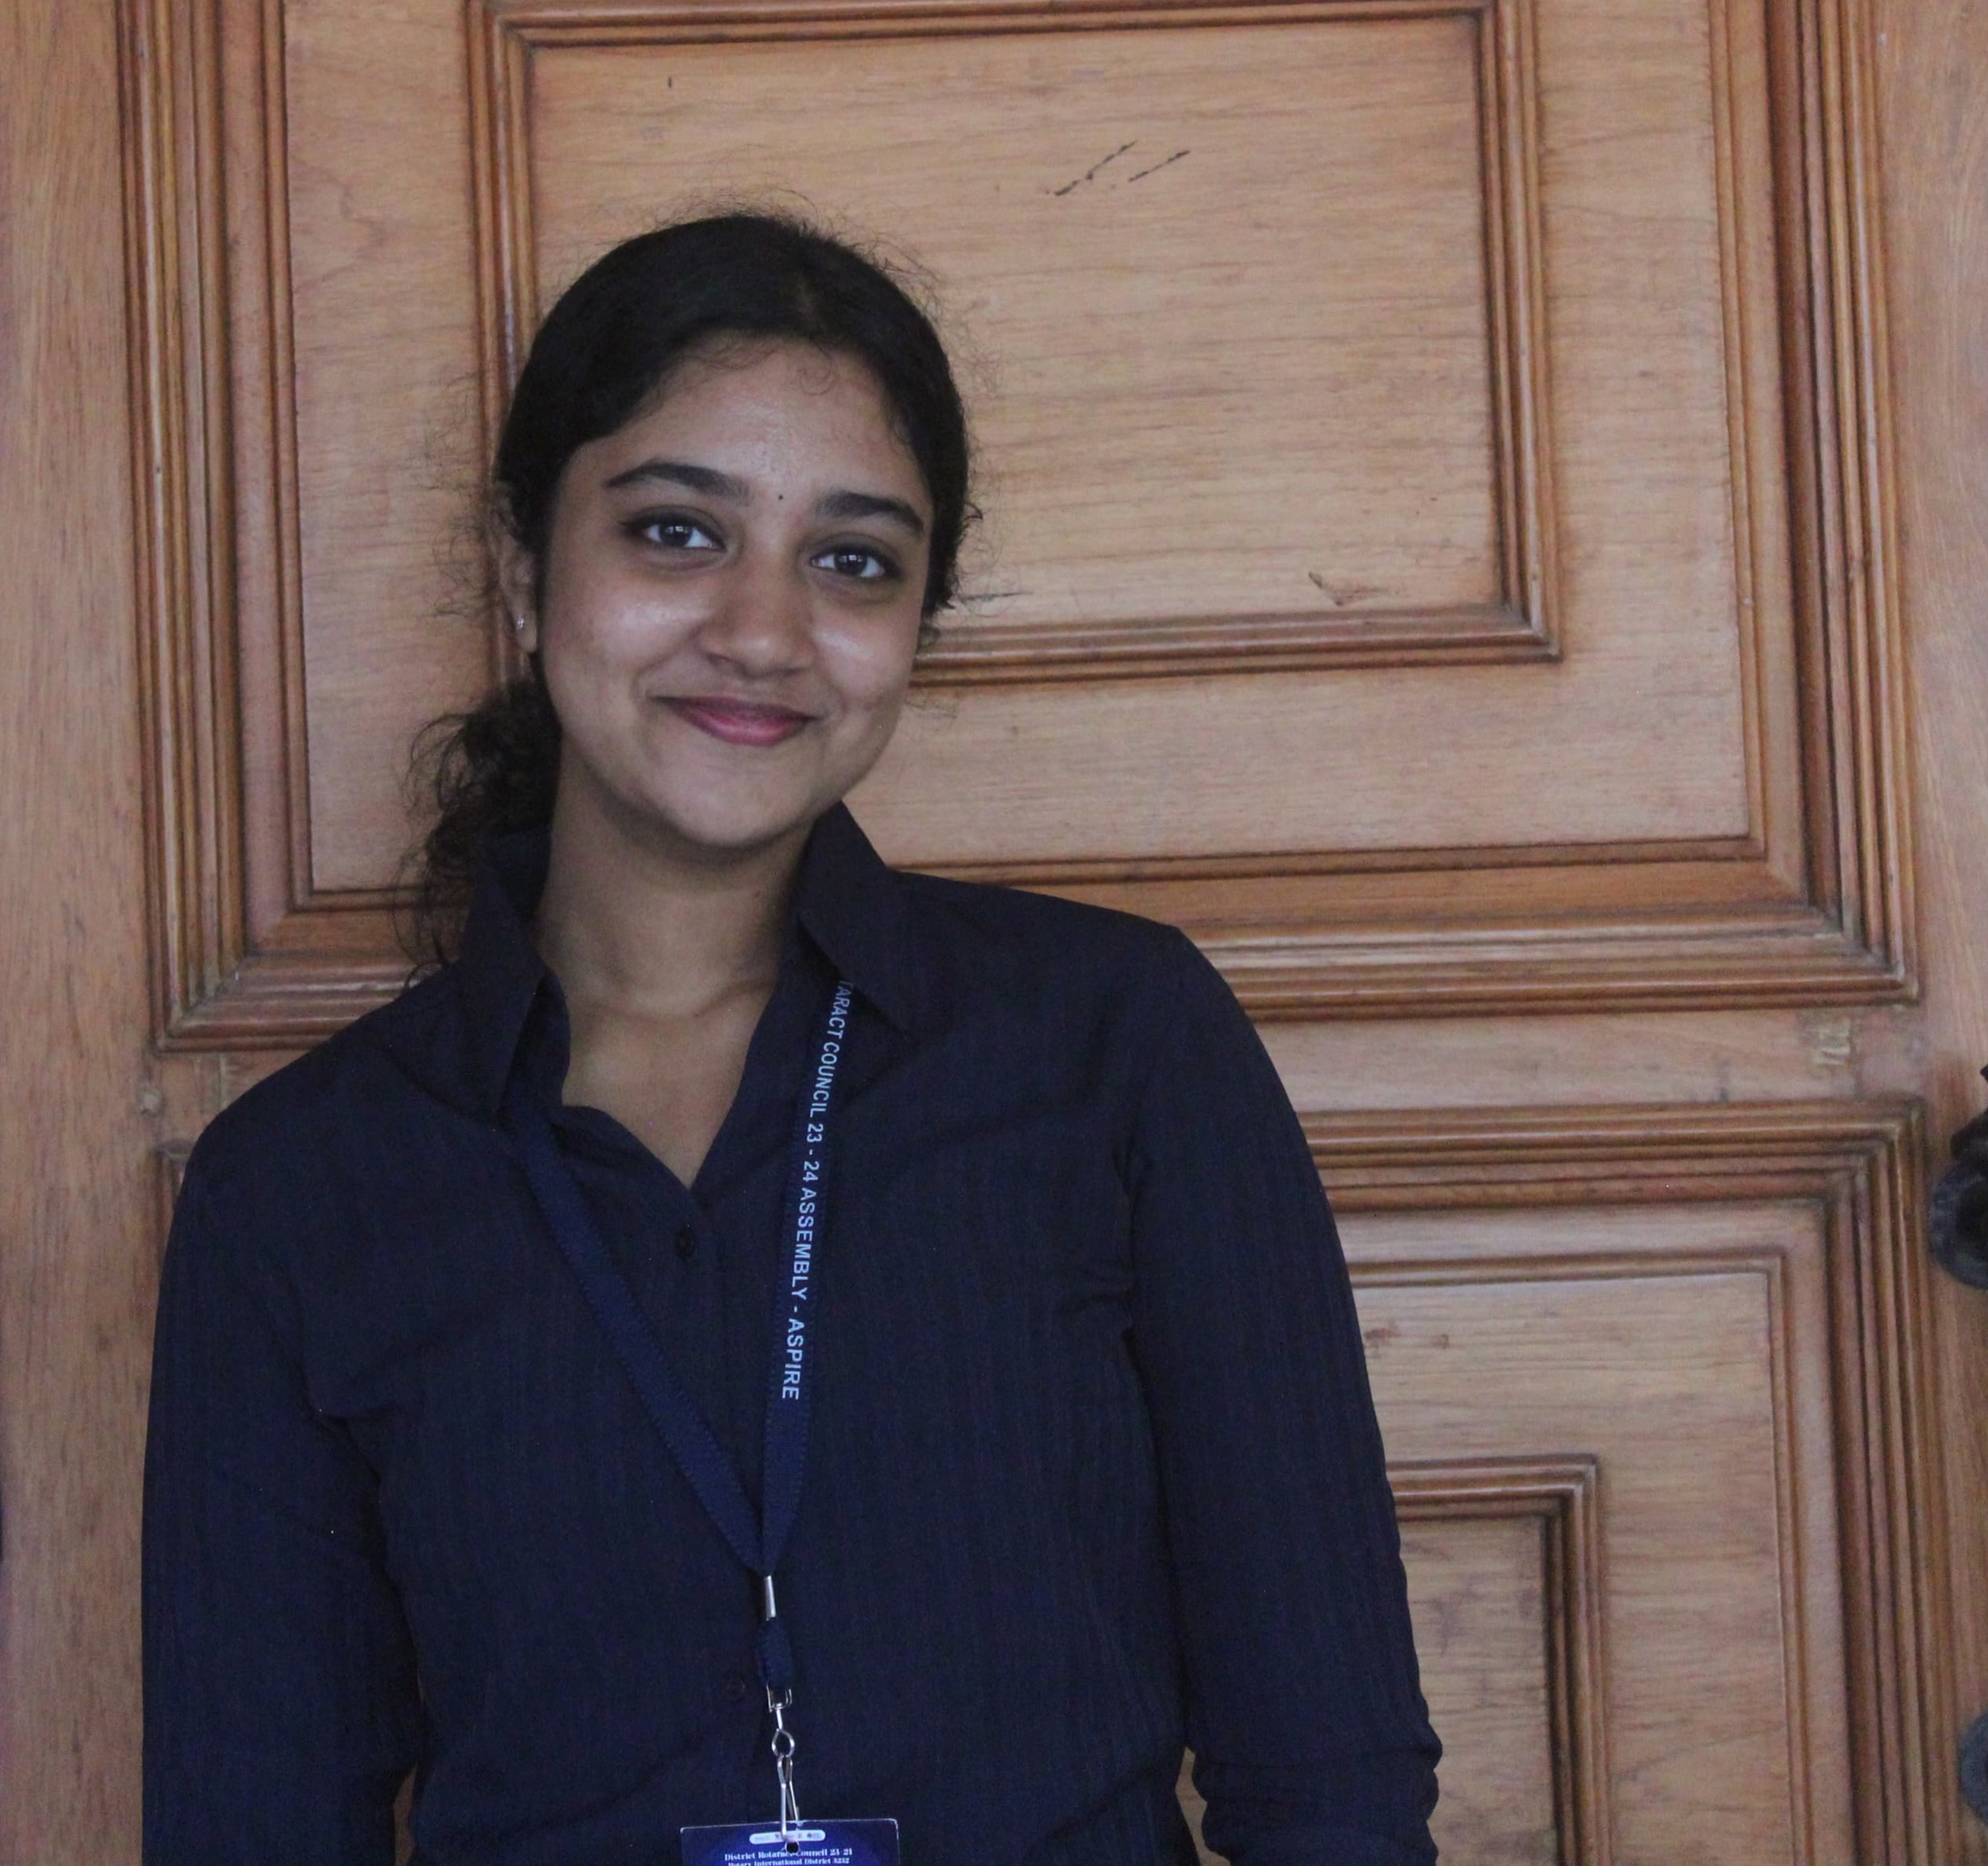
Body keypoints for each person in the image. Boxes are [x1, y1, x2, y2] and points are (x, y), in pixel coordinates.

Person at [142, 212, 1441, 1866]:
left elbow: (1330, 1780)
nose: (762, 631)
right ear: (526, 569)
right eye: (675, 532)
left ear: (918, 619)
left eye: (852, 560)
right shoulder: (301, 1186)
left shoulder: (1115, 1046)